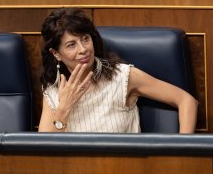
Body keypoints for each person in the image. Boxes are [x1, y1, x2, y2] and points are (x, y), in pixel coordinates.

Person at [38, 8, 198, 133]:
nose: (83, 49)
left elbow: (187, 100)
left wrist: (182, 153)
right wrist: (63, 109)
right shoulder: (53, 89)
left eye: (85, 39)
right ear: (56, 54)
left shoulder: (121, 77)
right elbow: (42, 151)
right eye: (71, 45)